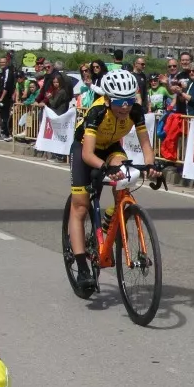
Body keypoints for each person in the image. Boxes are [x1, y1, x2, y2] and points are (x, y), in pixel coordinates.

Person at [66, 69, 156, 295]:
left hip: (112, 148)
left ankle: (112, 214)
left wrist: (151, 166)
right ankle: (83, 268)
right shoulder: (97, 111)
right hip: (85, 151)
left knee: (125, 178)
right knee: (80, 206)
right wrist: (106, 168)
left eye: (129, 100)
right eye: (119, 101)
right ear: (107, 99)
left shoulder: (135, 111)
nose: (125, 106)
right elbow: (88, 154)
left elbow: (146, 144)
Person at [0, 54, 16, 141]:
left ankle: (7, 134)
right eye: (1, 62)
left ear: (7, 62)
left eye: (4, 62)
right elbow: (1, 85)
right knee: (0, 115)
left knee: (5, 117)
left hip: (6, 98)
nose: (2, 63)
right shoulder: (3, 71)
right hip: (1, 97)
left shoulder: (7, 71)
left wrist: (1, 98)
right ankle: (2, 132)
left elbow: (6, 86)